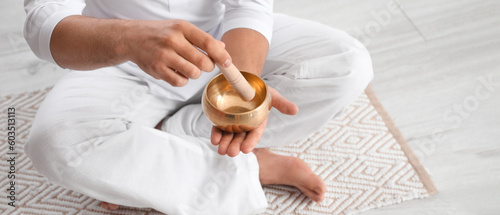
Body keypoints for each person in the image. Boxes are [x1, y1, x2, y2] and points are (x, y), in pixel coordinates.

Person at [23, 0, 373, 214]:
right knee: (54, 144)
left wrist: (243, 89)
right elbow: (44, 21)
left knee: (347, 62)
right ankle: (251, 170)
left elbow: (248, 5)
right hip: (120, 61)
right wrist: (127, 39)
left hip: (221, 43)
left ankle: (163, 144)